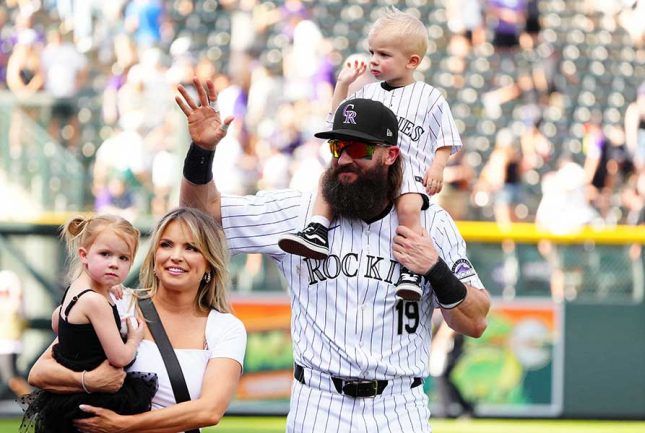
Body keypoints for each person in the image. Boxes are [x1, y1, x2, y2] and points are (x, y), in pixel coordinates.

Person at [176, 78, 490, 433]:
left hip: (399, 406)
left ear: (391, 155)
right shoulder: (301, 214)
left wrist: (434, 267)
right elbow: (200, 216)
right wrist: (202, 152)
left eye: (360, 149)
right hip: (319, 403)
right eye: (339, 146)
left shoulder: (431, 224)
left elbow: (475, 321)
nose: (344, 158)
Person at [277, 7, 464, 302]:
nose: (374, 61)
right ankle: (316, 230)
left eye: (384, 55)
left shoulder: (430, 97)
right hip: (370, 173)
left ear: (412, 61)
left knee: (409, 211)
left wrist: (438, 167)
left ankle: (410, 271)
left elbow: (446, 138)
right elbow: (337, 120)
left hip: (409, 174)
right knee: (332, 178)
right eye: (372, 52)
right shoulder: (369, 93)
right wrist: (343, 84)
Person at [27, 207, 246, 432]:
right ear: (153, 256)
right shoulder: (117, 302)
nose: (176, 256)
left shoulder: (226, 328)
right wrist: (88, 380)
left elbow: (209, 410)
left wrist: (122, 425)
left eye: (191, 248)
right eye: (166, 245)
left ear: (209, 262)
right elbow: (40, 372)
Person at [20, 214, 156, 433]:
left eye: (124, 258)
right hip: (93, 401)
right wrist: (133, 339)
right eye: (105, 254)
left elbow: (59, 324)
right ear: (84, 255)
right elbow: (119, 357)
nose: (114, 264)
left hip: (64, 401)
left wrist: (107, 287)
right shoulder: (95, 301)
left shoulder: (76, 290)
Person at [429, 318, 474, 419]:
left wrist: (437, 342)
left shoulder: (443, 309)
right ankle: (464, 406)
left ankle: (447, 409)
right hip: (447, 347)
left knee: (442, 377)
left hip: (450, 347)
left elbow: (449, 327)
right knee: (444, 378)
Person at [0, 269, 31, 398]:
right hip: (6, 344)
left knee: (12, 379)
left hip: (8, 345)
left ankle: (34, 404)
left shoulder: (14, 305)